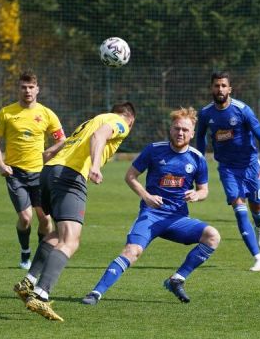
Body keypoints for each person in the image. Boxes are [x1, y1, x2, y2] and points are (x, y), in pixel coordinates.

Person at [81, 107, 220, 305]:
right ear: (170, 129)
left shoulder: (197, 158)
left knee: (212, 236)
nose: (180, 133)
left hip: (178, 219)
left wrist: (197, 195)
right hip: (151, 215)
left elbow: (204, 190)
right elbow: (130, 176)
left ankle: (177, 279)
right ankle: (95, 293)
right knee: (132, 251)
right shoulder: (154, 149)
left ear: (192, 132)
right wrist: (146, 196)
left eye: (185, 130)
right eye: (176, 128)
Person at [13, 102, 136, 321]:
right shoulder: (120, 122)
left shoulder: (93, 118)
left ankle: (29, 281)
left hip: (50, 171)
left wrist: (51, 150)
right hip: (69, 176)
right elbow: (98, 137)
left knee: (58, 235)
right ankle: (40, 295)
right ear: (131, 120)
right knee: (71, 240)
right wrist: (95, 166)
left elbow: (72, 141)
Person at [0, 71, 65, 270]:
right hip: (15, 173)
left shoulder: (47, 113)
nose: (27, 91)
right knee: (25, 218)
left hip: (40, 174)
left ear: (37, 89)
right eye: (23, 87)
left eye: (31, 87)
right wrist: (0, 165)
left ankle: (41, 254)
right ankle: (25, 253)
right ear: (18, 89)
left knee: (45, 219)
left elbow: (62, 140)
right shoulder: (7, 112)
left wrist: (50, 153)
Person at [196, 71, 260, 271]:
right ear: (211, 88)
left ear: (230, 89)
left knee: (257, 208)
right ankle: (258, 259)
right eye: (216, 85)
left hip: (251, 165)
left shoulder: (242, 110)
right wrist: (199, 163)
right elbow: (200, 139)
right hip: (227, 169)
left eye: (223, 86)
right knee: (239, 208)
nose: (220, 89)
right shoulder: (205, 114)